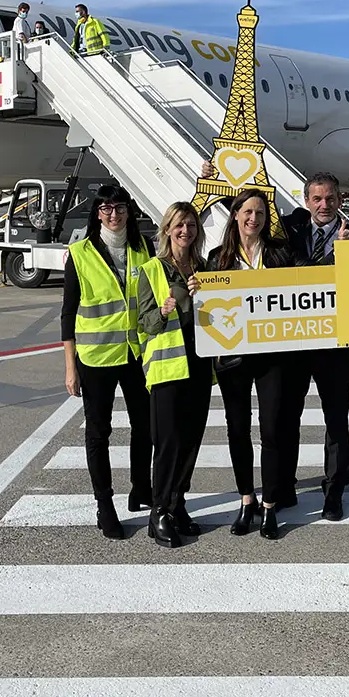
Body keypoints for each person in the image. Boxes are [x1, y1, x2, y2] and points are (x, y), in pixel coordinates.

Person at [200, 189, 302, 540]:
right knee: (237, 430)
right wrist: (198, 288)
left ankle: (270, 506)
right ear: (235, 215)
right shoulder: (217, 259)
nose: (253, 218)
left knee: (272, 429)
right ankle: (247, 500)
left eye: (259, 212)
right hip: (234, 358)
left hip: (274, 357)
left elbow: (312, 283)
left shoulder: (280, 253)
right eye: (247, 211)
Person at [61, 184, 154, 539]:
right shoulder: (80, 254)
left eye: (119, 208)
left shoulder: (144, 248)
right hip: (96, 357)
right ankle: (105, 504)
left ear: (130, 211)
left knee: (145, 425)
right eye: (106, 209)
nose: (113, 215)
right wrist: (71, 367)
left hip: (136, 353)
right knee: (99, 432)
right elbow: (68, 314)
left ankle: (140, 488)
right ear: (97, 213)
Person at [280, 171, 349, 522]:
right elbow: (293, 270)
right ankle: (283, 484)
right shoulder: (290, 231)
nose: (324, 205)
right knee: (286, 416)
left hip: (335, 338)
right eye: (317, 199)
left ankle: (334, 491)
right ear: (306, 201)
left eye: (330, 198)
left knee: (336, 419)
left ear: (340, 200)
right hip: (296, 339)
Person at [136, 202, 212, 549]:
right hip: (168, 368)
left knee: (191, 441)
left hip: (198, 365)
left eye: (191, 226)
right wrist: (164, 311)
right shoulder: (151, 269)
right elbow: (144, 323)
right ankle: (159, 512)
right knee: (167, 443)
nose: (186, 231)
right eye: (179, 225)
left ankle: (178, 503)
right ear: (167, 229)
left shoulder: (204, 268)